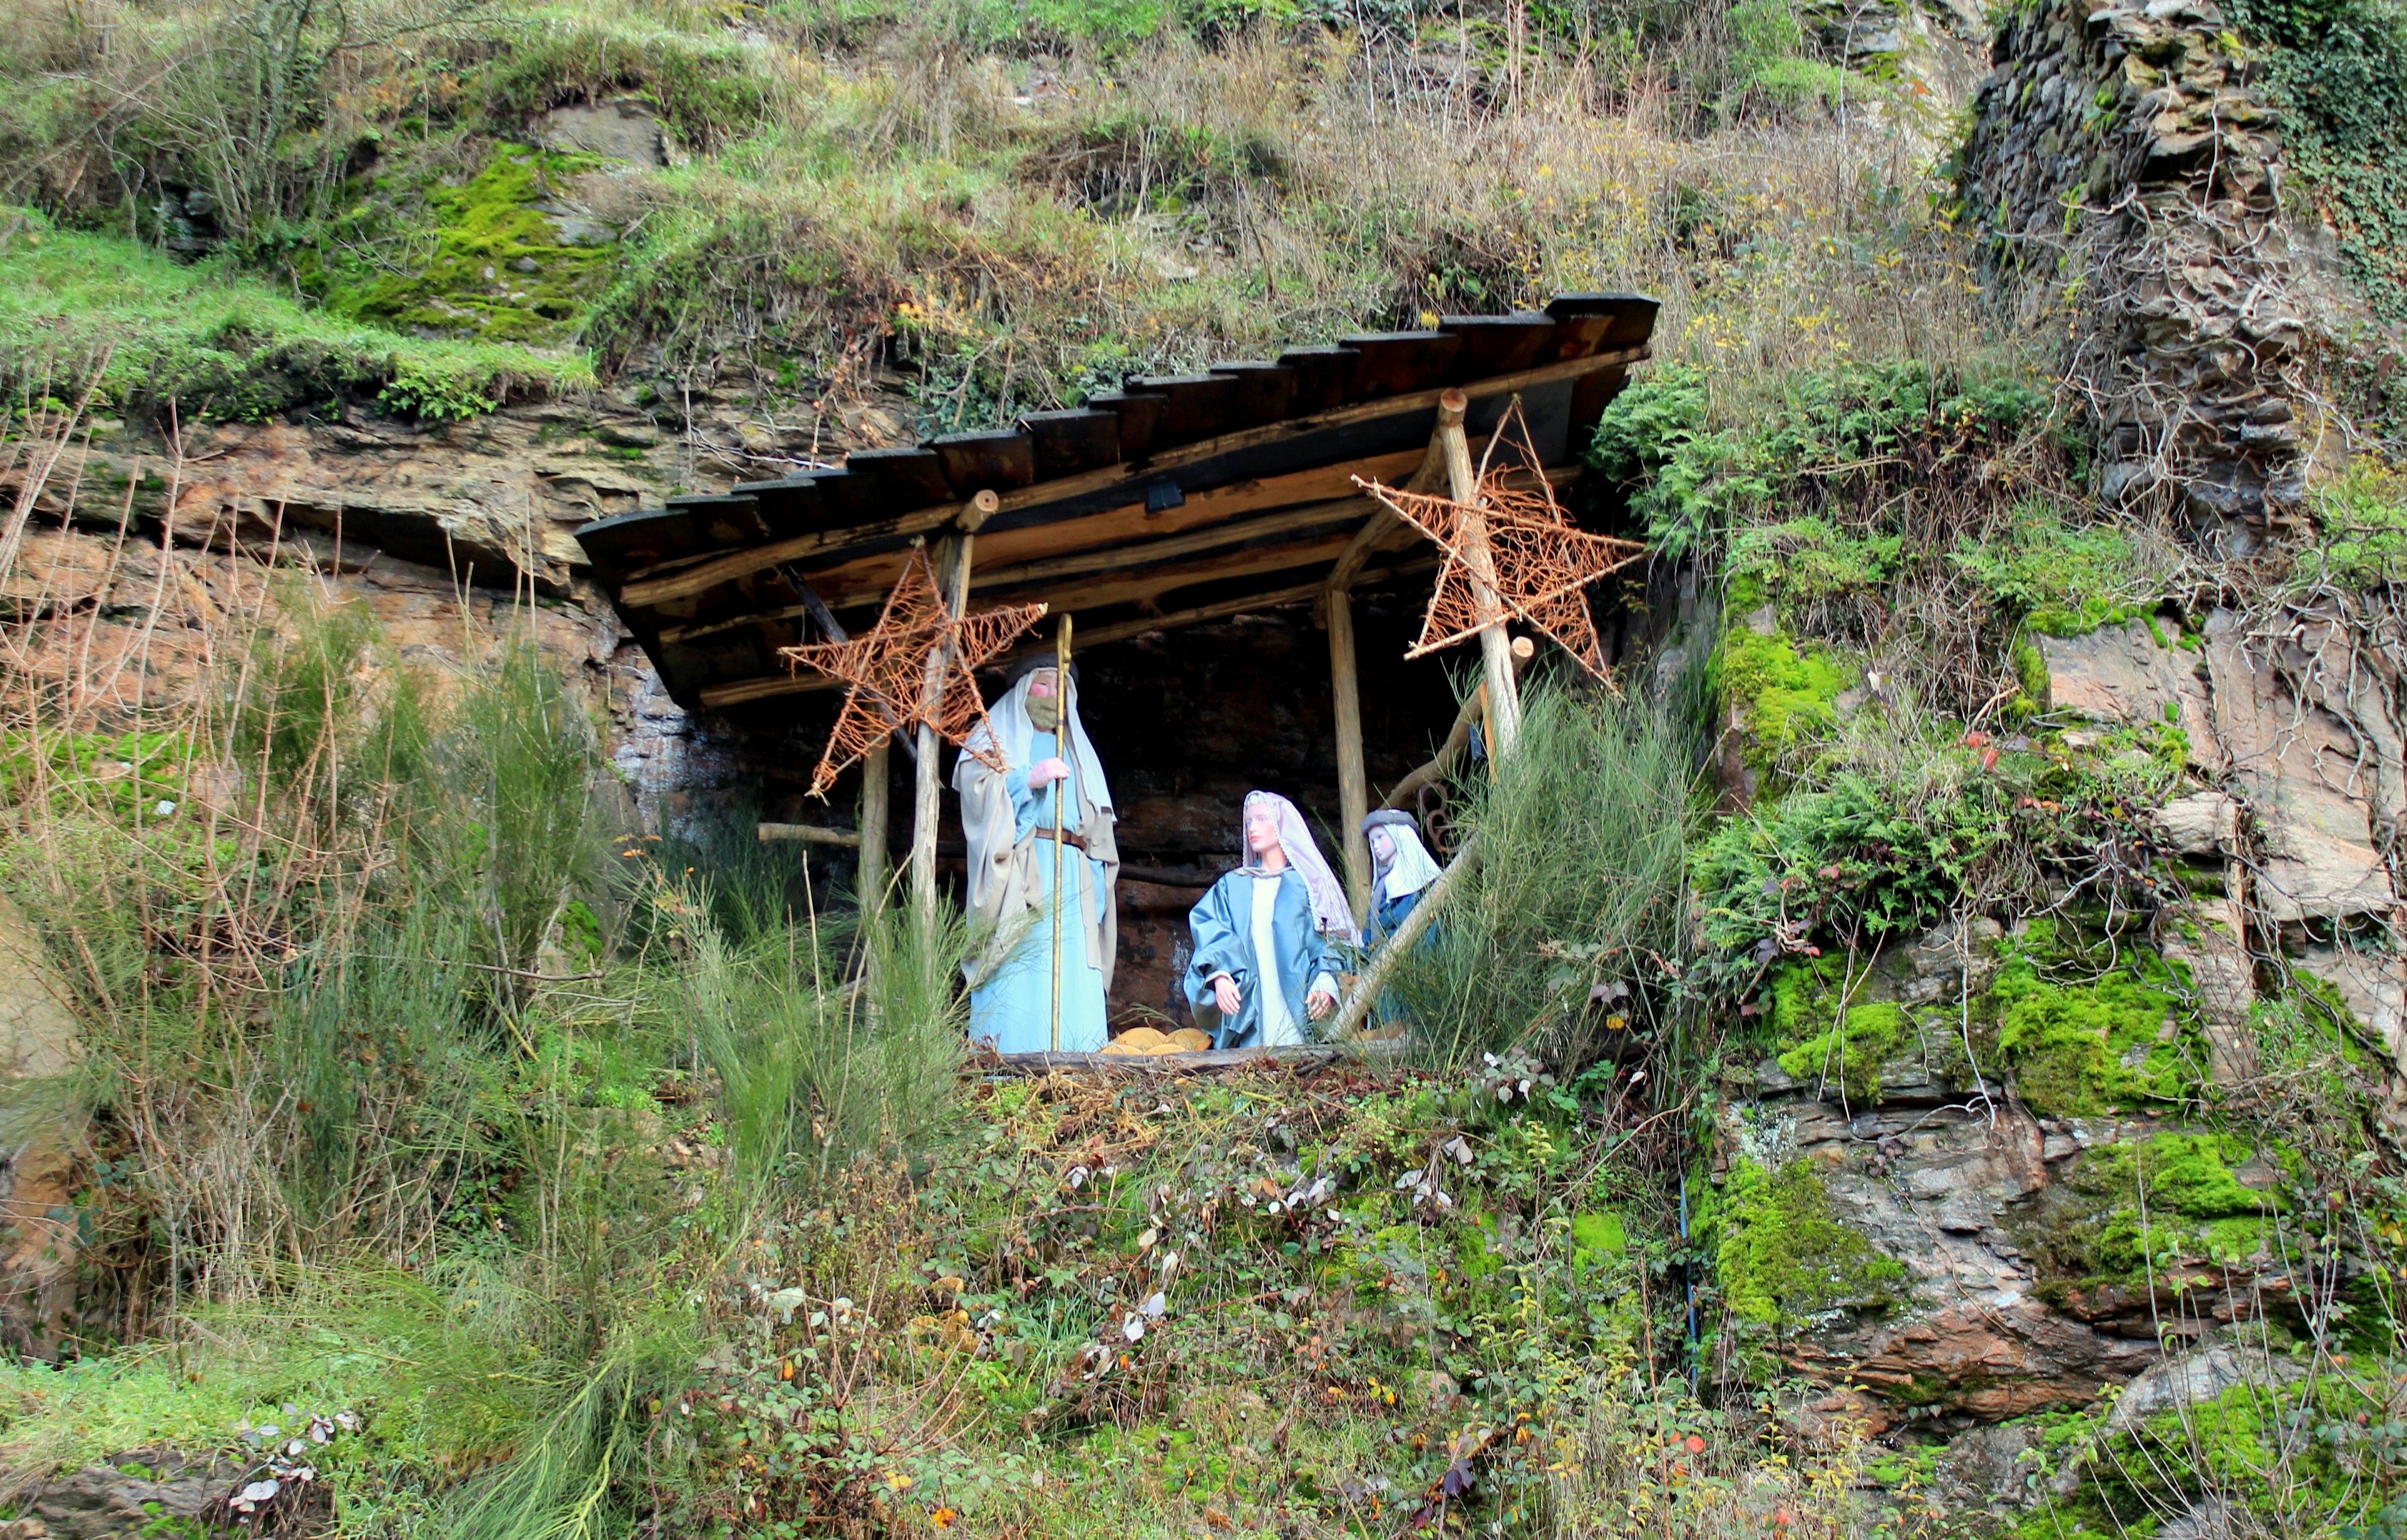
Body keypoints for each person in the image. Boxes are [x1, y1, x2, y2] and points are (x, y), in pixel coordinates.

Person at [954, 658, 1120, 1054]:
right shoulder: (998, 738)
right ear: (1023, 690)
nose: (1052, 695)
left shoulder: (1078, 750)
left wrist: (1097, 877)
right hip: (1022, 868)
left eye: (1060, 688)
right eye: (1043, 685)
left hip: (1075, 876)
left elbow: (1099, 827)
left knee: (1075, 968)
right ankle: (1008, 1064)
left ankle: (1077, 1070)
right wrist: (1025, 780)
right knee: (1019, 961)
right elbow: (977, 790)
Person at [1185, 791, 1356, 1049]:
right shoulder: (1233, 886)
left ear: (1282, 824)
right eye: (1249, 822)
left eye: (1262, 819)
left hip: (1300, 1010)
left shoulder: (1310, 886)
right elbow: (1212, 930)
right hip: (1253, 1009)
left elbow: (1328, 939)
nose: (1252, 828)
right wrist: (1220, 974)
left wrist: (1325, 978)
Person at [1363, 809, 1445, 950]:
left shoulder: (1418, 878)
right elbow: (1369, 935)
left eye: (1380, 837)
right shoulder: (1381, 886)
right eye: (1372, 841)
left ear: (1397, 834)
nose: (1376, 846)